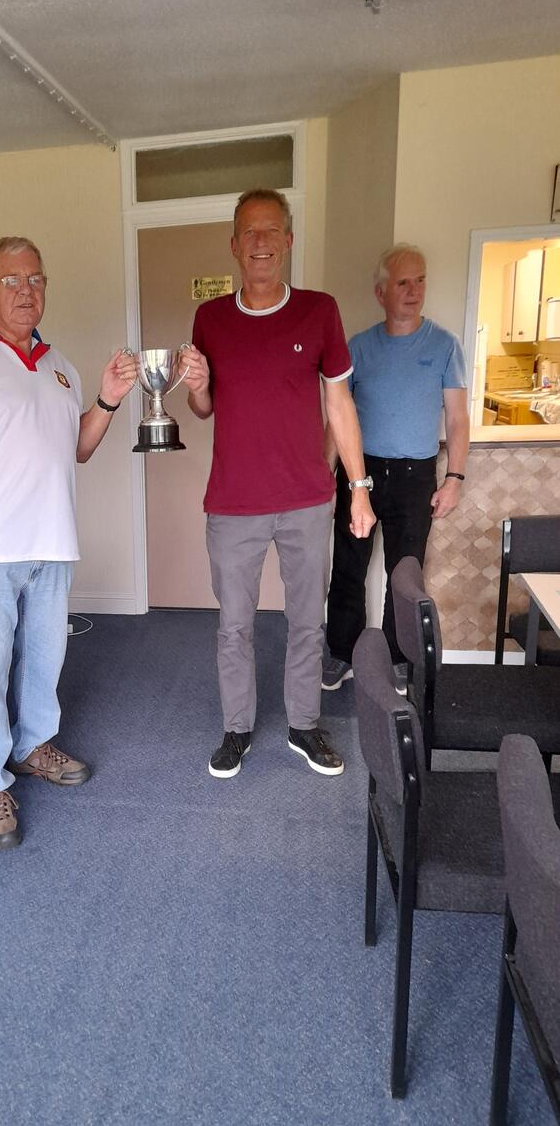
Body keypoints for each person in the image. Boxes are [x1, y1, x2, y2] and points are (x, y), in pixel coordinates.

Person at [0, 236, 137, 851]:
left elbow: (77, 450)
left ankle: (34, 744)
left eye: (36, 280)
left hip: (52, 546)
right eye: (12, 281)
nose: (25, 291)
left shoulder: (58, 363)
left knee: (45, 660)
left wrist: (107, 400)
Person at [182, 189, 375, 781]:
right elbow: (203, 407)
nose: (261, 242)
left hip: (307, 500)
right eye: (250, 232)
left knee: (306, 621)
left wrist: (359, 488)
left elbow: (339, 404)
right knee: (234, 625)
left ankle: (303, 725)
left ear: (288, 241)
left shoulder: (319, 310)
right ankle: (237, 727)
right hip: (233, 503)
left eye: (272, 231)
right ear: (235, 245)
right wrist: (194, 383)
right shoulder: (210, 318)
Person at [322, 244, 469, 691]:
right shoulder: (359, 348)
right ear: (380, 292)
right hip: (359, 474)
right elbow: (337, 414)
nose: (414, 290)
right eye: (403, 282)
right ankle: (341, 654)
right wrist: (323, 477)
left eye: (420, 280)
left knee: (404, 574)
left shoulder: (444, 345)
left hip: (415, 476)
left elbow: (458, 418)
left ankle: (396, 658)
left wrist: (455, 478)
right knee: (349, 565)